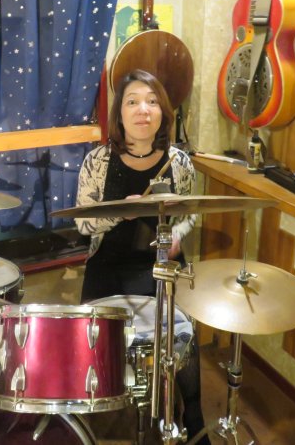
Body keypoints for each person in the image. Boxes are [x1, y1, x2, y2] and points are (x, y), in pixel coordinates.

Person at [75, 69, 210, 444]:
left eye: (152, 102)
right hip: (108, 264)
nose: (143, 110)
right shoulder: (98, 161)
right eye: (132, 102)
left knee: (182, 334)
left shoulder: (179, 162)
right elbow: (83, 224)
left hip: (159, 264)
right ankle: (101, 408)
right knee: (93, 335)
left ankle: (193, 415)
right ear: (119, 113)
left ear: (163, 112)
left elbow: (191, 215)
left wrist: (177, 236)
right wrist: (123, 211)